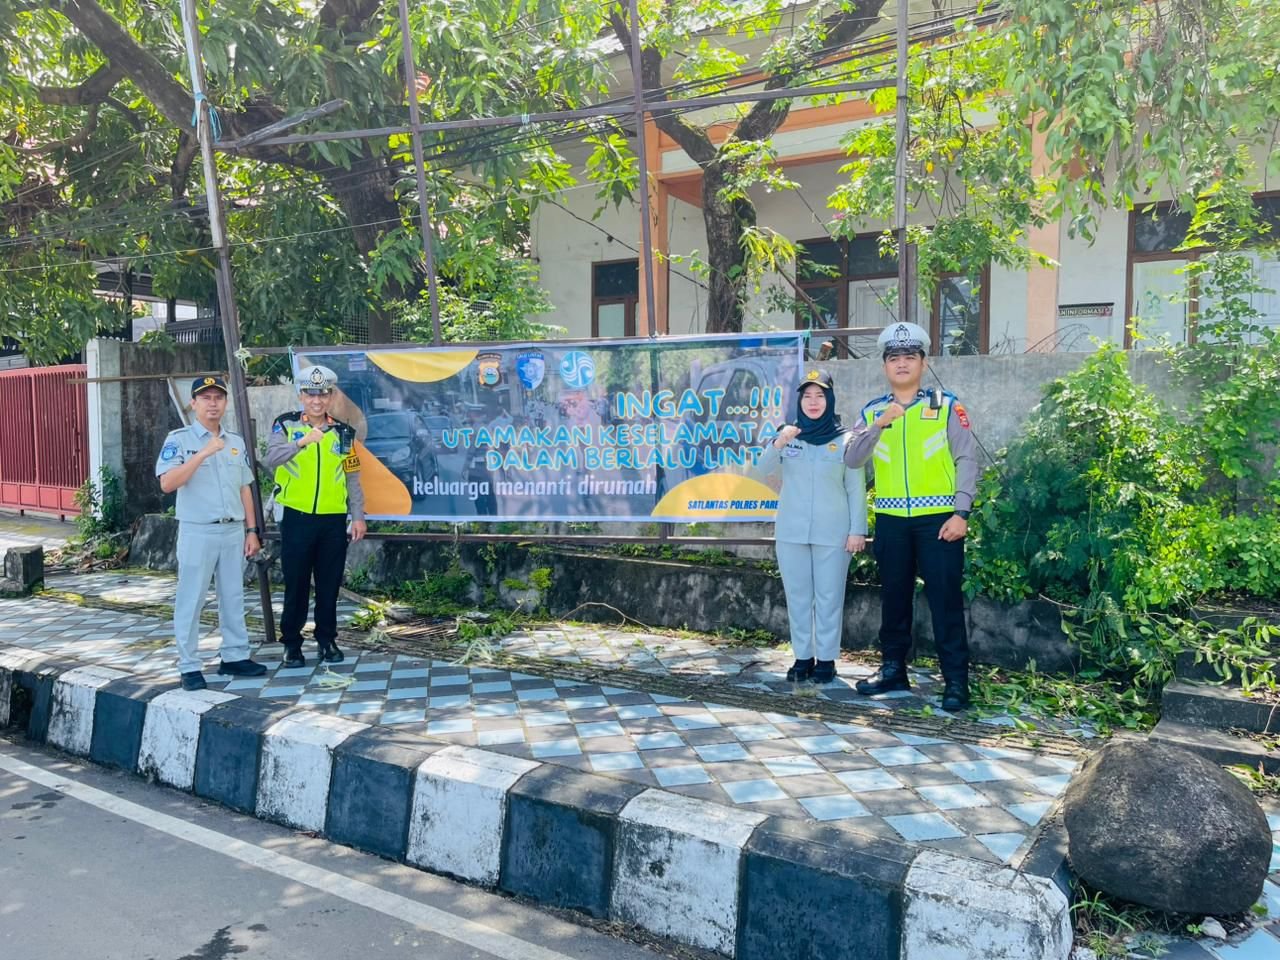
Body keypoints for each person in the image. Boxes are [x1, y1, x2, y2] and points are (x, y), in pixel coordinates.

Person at [844, 321, 978, 711]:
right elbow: (852, 458)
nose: (901, 363)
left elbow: (967, 459)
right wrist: (880, 424)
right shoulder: (872, 411)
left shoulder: (945, 405)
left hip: (939, 520)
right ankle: (893, 670)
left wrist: (962, 512)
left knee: (945, 601)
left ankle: (956, 681)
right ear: (885, 366)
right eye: (894, 358)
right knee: (894, 598)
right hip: (891, 520)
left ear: (923, 362)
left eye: (909, 356)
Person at [755, 370, 867, 684]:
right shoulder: (788, 436)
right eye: (807, 396)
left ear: (830, 399)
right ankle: (803, 657)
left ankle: (826, 660)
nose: (813, 402)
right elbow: (760, 470)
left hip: (834, 532)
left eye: (819, 395)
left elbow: (855, 488)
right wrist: (780, 441)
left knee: (830, 597)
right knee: (798, 597)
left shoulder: (847, 440)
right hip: (791, 531)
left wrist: (857, 530)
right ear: (799, 401)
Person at [156, 375, 267, 691]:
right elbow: (167, 483)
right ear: (193, 404)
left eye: (218, 397)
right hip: (198, 531)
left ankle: (235, 655)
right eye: (206, 398)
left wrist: (251, 530)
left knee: (232, 596)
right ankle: (189, 665)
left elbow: (245, 487)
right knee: (191, 599)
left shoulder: (235, 442)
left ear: (226, 402)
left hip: (232, 530)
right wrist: (203, 453)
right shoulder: (179, 440)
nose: (213, 403)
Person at [264, 364, 367, 667]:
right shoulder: (285, 425)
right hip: (296, 517)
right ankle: (291, 643)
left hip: (332, 519)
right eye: (311, 395)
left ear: (331, 396)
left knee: (329, 584)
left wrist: (357, 515)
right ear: (301, 396)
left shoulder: (343, 432)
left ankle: (327, 640)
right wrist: (301, 442)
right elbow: (271, 459)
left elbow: (352, 476)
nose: (317, 401)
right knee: (296, 583)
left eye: (323, 395)